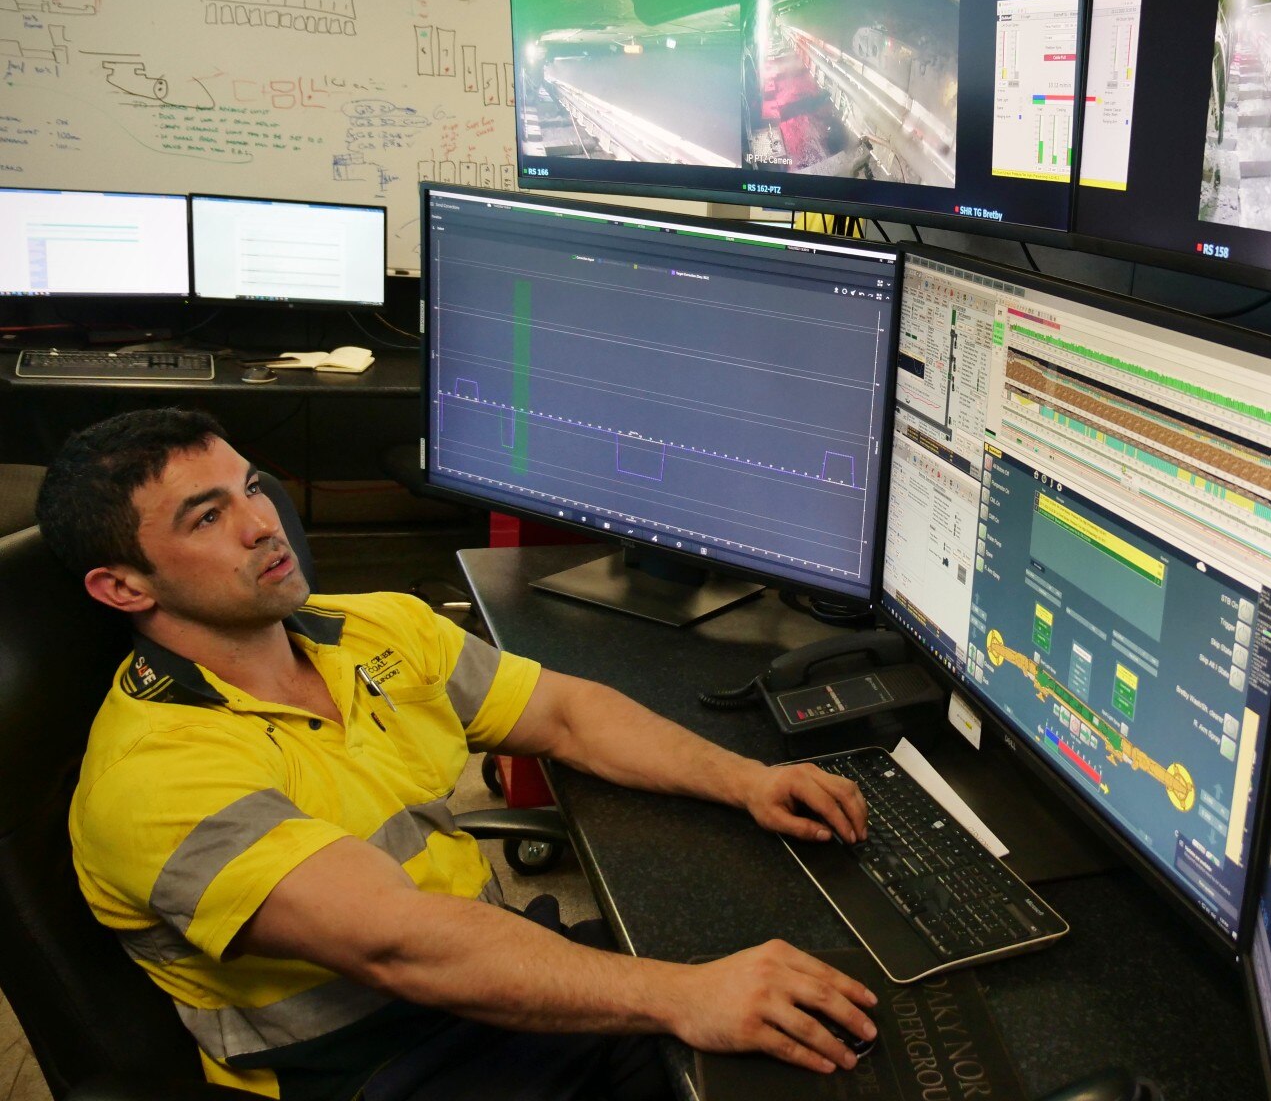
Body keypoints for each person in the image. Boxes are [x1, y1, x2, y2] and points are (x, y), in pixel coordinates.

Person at [38, 408, 877, 1100]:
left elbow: (567, 716)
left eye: (250, 486)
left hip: (481, 977)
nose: (263, 523)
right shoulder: (154, 775)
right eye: (209, 516)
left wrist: (749, 780)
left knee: (818, 1022)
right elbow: (397, 943)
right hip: (371, 1064)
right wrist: (686, 996)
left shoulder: (368, 626)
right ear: (124, 588)